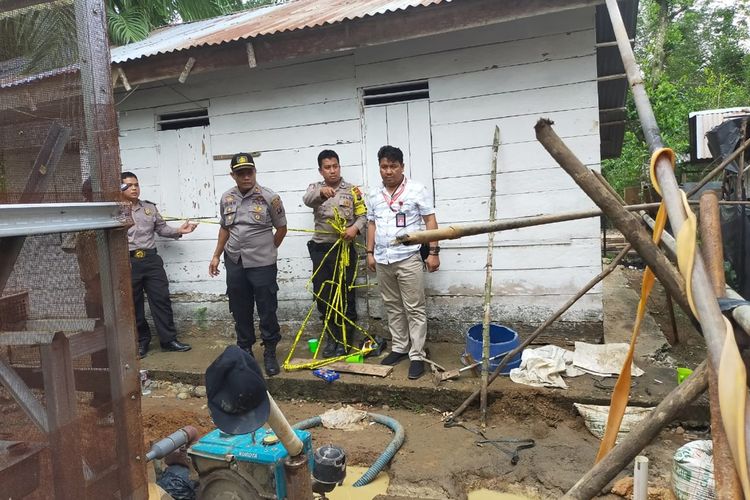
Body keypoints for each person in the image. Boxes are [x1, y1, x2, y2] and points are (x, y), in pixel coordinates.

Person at [209, 153, 287, 377]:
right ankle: (245, 352)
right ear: (232, 175)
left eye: (249, 172)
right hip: (234, 261)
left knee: (267, 308)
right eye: (240, 173)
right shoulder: (227, 198)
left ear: (254, 172)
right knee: (240, 308)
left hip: (262, 262)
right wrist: (216, 256)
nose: (246, 177)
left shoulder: (270, 198)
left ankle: (270, 351)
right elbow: (225, 228)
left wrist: (269, 248)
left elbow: (281, 228)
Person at [365, 145, 440, 380]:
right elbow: (371, 224)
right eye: (384, 167)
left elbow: (430, 221)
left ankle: (417, 354)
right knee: (392, 306)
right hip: (383, 259)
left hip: (408, 258)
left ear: (402, 167)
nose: (388, 171)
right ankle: (399, 347)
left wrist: (434, 252)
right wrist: (369, 252)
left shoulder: (417, 190)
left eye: (393, 166)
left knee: (414, 308)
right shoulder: (374, 195)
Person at [121, 171, 197, 358]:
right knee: (134, 304)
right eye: (129, 185)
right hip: (127, 262)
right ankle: (141, 341)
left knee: (161, 300)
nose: (134, 188)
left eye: (136, 184)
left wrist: (180, 230)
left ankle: (168, 340)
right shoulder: (114, 211)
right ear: (120, 188)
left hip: (151, 260)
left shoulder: (149, 208)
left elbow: (161, 228)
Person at [302, 149, 367, 357]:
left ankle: (345, 339)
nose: (332, 171)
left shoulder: (352, 190)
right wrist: (322, 194)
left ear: (339, 166)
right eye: (327, 167)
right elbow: (307, 199)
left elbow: (363, 215)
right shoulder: (315, 188)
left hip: (344, 250)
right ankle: (331, 338)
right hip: (322, 250)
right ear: (321, 170)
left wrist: (354, 229)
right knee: (324, 295)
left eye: (335, 166)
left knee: (346, 294)